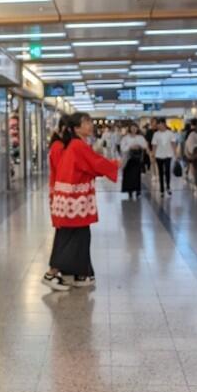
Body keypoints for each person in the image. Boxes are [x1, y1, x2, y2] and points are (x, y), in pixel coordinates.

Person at [49, 113, 119, 287]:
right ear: (76, 128)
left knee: (80, 235)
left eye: (90, 121)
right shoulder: (78, 146)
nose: (90, 125)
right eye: (86, 122)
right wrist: (114, 165)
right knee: (71, 237)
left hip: (72, 199)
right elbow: (96, 163)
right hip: (73, 200)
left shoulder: (74, 145)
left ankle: (80, 274)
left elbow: (90, 165)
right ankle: (52, 274)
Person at [43, 114, 76, 291]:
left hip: (64, 193)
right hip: (60, 194)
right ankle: (52, 272)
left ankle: (64, 271)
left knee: (66, 232)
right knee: (63, 232)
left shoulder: (62, 145)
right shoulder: (58, 147)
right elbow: (63, 170)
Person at [119, 122, 148, 199]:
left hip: (137, 159)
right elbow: (122, 148)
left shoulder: (140, 137)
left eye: (135, 127)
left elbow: (145, 146)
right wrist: (130, 147)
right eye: (132, 127)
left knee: (137, 175)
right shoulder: (125, 138)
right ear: (129, 129)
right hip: (128, 159)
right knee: (128, 176)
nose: (134, 129)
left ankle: (137, 190)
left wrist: (138, 146)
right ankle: (129, 191)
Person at [150, 120, 178, 196]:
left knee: (167, 171)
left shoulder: (170, 133)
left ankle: (168, 186)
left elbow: (173, 143)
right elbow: (154, 145)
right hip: (158, 155)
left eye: (160, 124)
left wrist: (175, 153)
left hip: (168, 154)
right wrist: (153, 155)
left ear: (164, 124)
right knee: (160, 172)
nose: (159, 126)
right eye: (158, 124)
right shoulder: (156, 134)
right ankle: (161, 189)